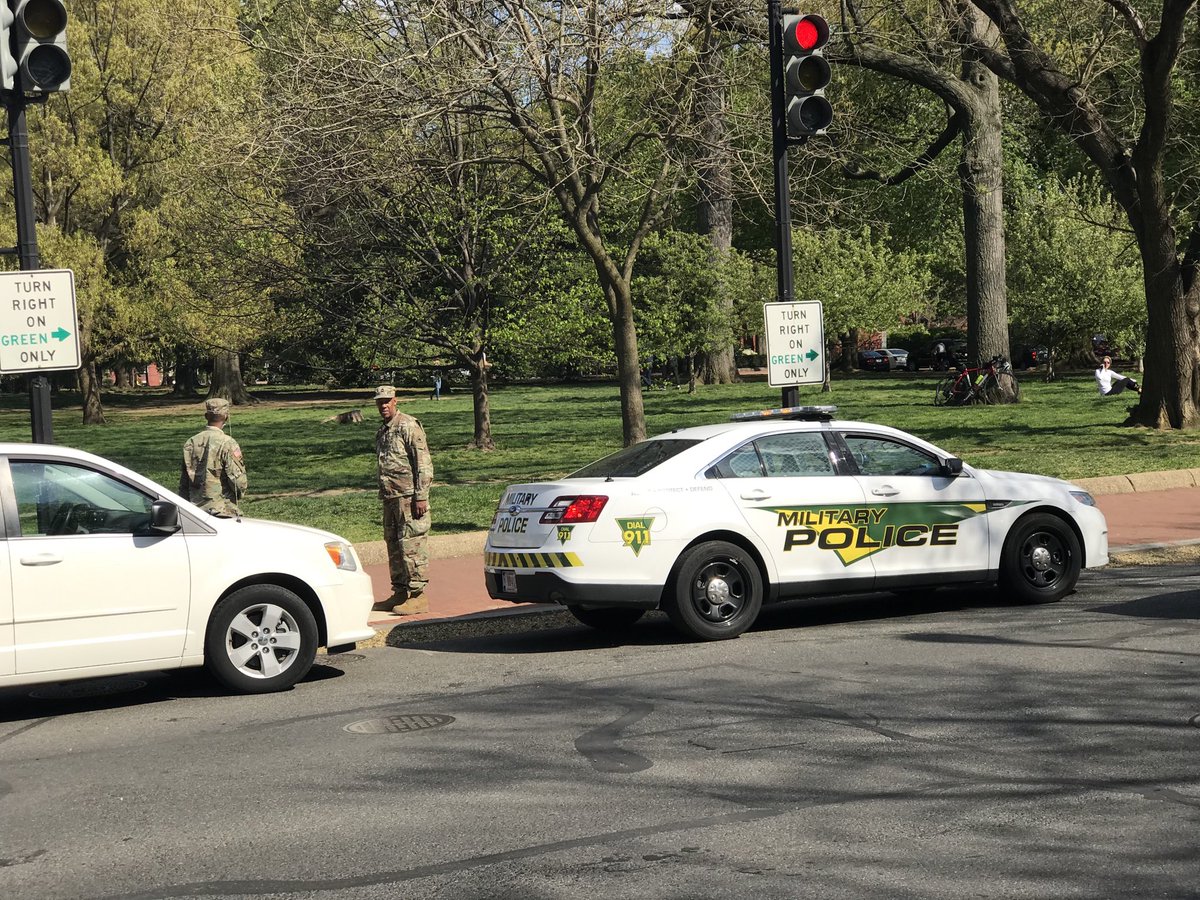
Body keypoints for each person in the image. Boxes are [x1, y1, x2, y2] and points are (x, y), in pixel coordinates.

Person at [373, 385, 433, 615]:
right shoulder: (384, 431)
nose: (384, 405)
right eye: (380, 402)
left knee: (411, 545)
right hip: (390, 497)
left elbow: (423, 463)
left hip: (409, 498)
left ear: (395, 401)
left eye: (387, 401)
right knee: (394, 545)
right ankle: (399, 592)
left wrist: (421, 496)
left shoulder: (408, 425)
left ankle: (418, 595)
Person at [179, 397, 247, 518]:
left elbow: (185, 481)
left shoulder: (191, 442)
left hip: (194, 512)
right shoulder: (228, 443)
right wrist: (240, 492)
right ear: (226, 417)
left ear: (206, 416)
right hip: (223, 510)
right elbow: (238, 480)